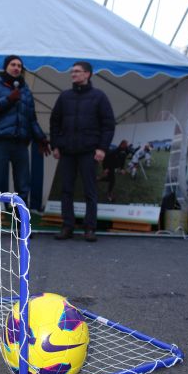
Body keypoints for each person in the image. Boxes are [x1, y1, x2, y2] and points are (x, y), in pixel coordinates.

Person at [0, 55, 50, 237]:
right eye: (13, 65)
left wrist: (41, 138)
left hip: (20, 144)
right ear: (5, 67)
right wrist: (8, 99)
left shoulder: (26, 91)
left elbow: (31, 119)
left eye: (19, 65)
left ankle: (22, 226)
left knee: (23, 186)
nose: (17, 68)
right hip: (0, 143)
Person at [50, 61, 115, 242]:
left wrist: (102, 148)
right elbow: (54, 122)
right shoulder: (64, 97)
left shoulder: (99, 97)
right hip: (67, 152)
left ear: (87, 74)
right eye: (72, 72)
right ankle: (67, 226)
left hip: (89, 151)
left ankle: (90, 228)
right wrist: (55, 145)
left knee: (90, 190)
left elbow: (108, 125)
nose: (73, 74)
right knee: (66, 190)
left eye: (77, 72)